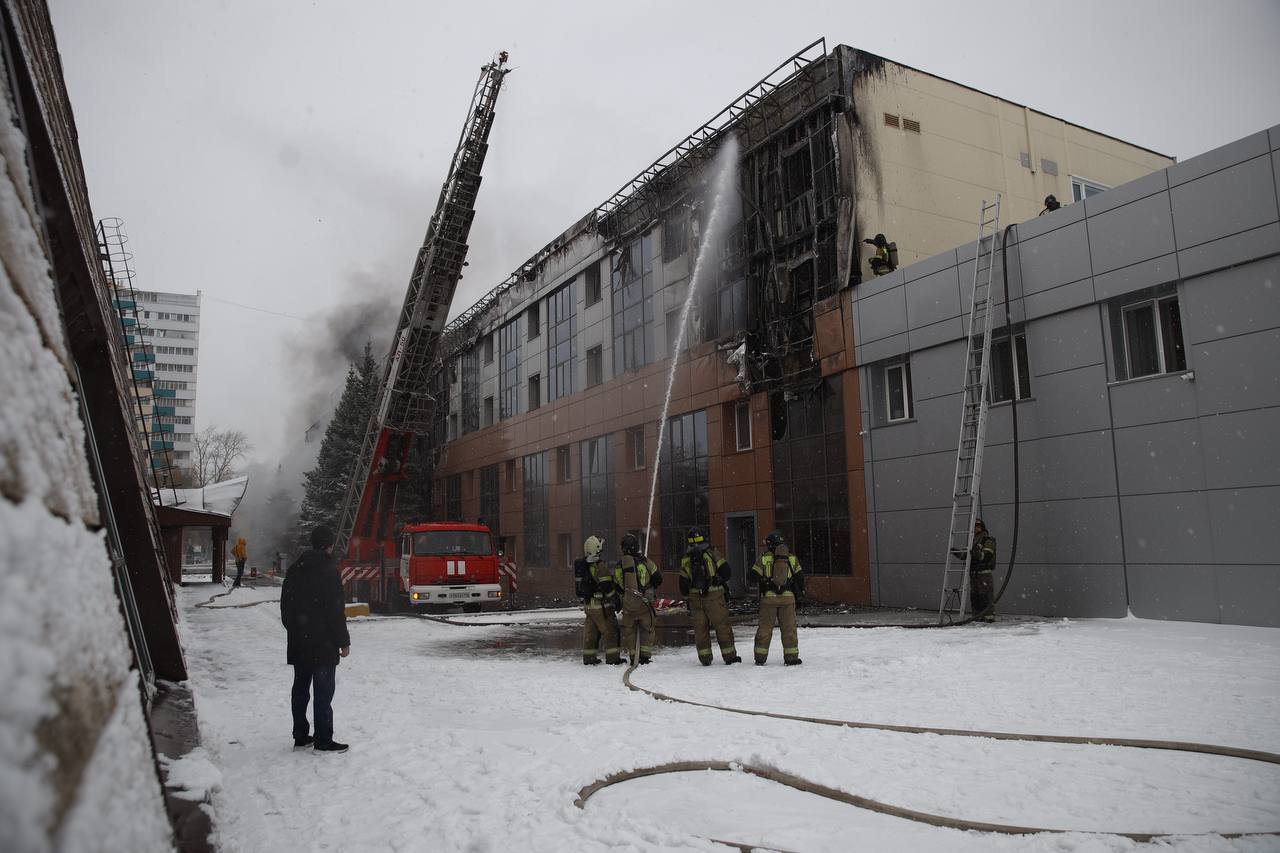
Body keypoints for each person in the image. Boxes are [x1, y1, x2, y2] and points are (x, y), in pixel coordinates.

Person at [280, 525, 351, 753]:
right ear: (329, 546)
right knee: (323, 692)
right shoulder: (329, 571)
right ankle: (323, 739)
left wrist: (296, 629)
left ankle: (300, 735)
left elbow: (285, 606)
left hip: (300, 642)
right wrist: (343, 641)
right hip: (324, 644)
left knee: (300, 688)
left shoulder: (294, 569)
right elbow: (335, 610)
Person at [678, 527, 740, 666]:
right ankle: (729, 656)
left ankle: (705, 658)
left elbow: (683, 586)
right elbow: (726, 572)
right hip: (714, 597)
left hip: (695, 599)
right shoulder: (712, 552)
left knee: (700, 630)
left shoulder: (686, 559)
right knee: (722, 626)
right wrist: (718, 579)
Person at [750, 531, 803, 666]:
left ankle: (760, 658)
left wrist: (764, 581)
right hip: (788, 598)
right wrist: (800, 595)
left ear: (769, 544)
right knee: (789, 629)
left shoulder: (763, 558)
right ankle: (791, 657)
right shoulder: (791, 558)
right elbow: (800, 577)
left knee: (765, 628)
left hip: (769, 599)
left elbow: (752, 576)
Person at [613, 533, 662, 665]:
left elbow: (616, 584)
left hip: (628, 605)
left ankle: (633, 656)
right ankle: (644, 657)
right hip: (644, 603)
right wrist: (650, 586)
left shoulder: (619, 565)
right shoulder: (645, 562)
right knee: (648, 629)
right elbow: (658, 578)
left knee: (630, 631)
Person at [575, 535, 621, 665]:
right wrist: (616, 600)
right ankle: (613, 659)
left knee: (591, 633)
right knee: (610, 631)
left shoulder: (583, 566)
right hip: (602, 607)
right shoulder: (600, 566)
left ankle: (589, 658)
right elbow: (607, 586)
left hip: (589, 606)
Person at [969, 518, 997, 622]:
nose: (976, 528)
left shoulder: (988, 540)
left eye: (978, 526)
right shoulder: (972, 540)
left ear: (982, 527)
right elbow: (967, 556)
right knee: (975, 596)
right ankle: (977, 616)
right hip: (974, 575)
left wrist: (977, 553)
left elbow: (986, 556)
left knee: (985, 595)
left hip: (984, 574)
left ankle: (988, 616)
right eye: (974, 526)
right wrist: (958, 553)